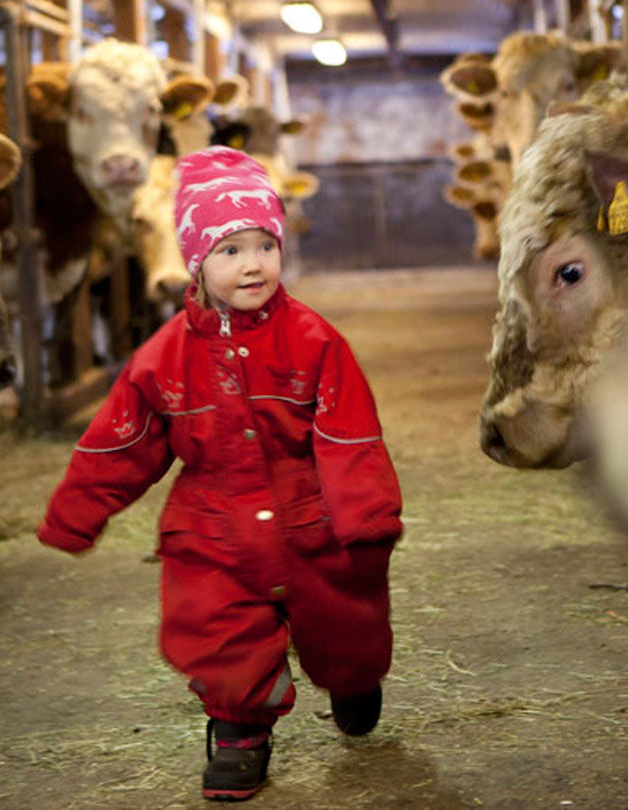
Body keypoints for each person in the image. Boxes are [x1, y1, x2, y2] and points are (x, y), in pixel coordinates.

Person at [37, 146, 403, 802]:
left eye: (265, 244)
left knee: (347, 622)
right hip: (213, 527)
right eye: (230, 249)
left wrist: (366, 516)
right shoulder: (164, 357)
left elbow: (348, 434)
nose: (253, 263)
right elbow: (123, 442)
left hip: (312, 516)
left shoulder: (316, 341)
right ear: (196, 262)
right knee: (218, 628)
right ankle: (238, 733)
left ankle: (352, 680)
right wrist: (76, 511)